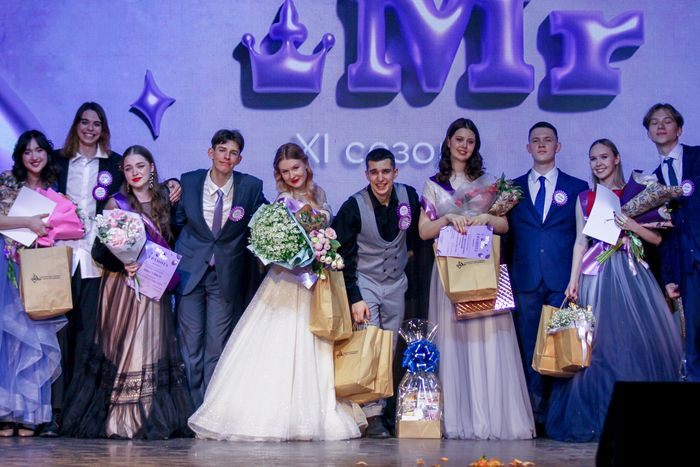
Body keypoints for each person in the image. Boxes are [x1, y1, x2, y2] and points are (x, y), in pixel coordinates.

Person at [188, 142, 363, 441]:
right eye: (285, 171)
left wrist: (321, 253)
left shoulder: (319, 194)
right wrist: (291, 256)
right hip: (287, 283)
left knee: (315, 346)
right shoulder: (282, 202)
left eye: (295, 168)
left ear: (305, 165)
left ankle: (313, 413)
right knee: (279, 346)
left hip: (316, 284)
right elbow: (273, 247)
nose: (292, 175)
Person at [546, 138, 682, 441]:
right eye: (593, 158)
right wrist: (573, 280)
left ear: (617, 159)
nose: (598, 163)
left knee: (633, 345)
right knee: (596, 349)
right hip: (595, 274)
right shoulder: (585, 198)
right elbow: (581, 241)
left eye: (604, 157)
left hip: (631, 273)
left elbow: (657, 239)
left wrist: (632, 226)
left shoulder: (637, 194)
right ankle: (598, 418)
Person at [60, 145, 192, 439]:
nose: (135, 173)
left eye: (140, 166)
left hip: (152, 286)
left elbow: (175, 239)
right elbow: (99, 249)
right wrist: (124, 262)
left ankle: (143, 416)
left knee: (149, 348)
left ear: (152, 168)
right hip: (121, 287)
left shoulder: (166, 201)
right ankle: (119, 420)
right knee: (120, 348)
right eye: (129, 168)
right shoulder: (115, 203)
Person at [419, 118, 534, 439]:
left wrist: (486, 217)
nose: (464, 146)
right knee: (455, 341)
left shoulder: (489, 183)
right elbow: (424, 231)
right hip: (452, 271)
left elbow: (504, 226)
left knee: (488, 340)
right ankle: (459, 419)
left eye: (470, 141)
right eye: (459, 139)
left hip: (485, 267)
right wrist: (447, 218)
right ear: (448, 142)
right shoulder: (434, 185)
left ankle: (492, 418)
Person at [173, 129, 267, 409]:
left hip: (225, 277)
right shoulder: (189, 181)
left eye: (233, 152)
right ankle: (191, 407)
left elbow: (265, 220)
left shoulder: (250, 187)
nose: (227, 156)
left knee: (216, 347)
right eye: (222, 150)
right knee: (190, 346)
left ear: (239, 159)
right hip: (189, 274)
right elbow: (176, 221)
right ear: (211, 152)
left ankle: (208, 409)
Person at [332, 147, 421, 438]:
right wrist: (354, 297)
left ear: (395, 172)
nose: (380, 178)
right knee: (369, 345)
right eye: (374, 172)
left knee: (391, 347)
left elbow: (417, 239)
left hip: (396, 283)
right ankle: (372, 415)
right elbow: (342, 255)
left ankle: (388, 408)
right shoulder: (353, 206)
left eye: (385, 171)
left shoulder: (409, 197)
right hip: (366, 281)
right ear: (366, 174)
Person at [506, 121, 589, 434]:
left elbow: (582, 236)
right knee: (529, 348)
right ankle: (534, 417)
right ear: (528, 147)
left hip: (562, 281)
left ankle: (558, 417)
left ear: (558, 146)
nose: (542, 144)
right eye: (536, 140)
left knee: (561, 351)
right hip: (525, 279)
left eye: (548, 140)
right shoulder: (512, 189)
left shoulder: (577, 186)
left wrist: (575, 278)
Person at [0, 130, 66, 437]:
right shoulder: (7, 181)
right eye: (27, 151)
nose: (34, 156)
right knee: (9, 338)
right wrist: (27, 222)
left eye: (39, 150)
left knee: (34, 339)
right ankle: (5, 412)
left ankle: (28, 413)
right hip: (8, 265)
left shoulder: (54, 188)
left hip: (40, 269)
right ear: (20, 156)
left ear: (47, 154)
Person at [644, 103, 700, 381]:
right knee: (693, 338)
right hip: (685, 267)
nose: (660, 126)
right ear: (649, 133)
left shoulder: (697, 157)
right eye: (654, 123)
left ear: (679, 129)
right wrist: (667, 277)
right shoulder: (651, 183)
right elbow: (662, 237)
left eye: (667, 121)